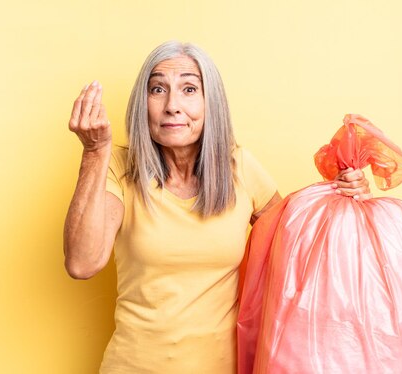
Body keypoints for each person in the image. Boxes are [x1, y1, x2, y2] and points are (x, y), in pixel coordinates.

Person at [63, 41, 372, 374]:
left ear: (212, 103)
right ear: (143, 104)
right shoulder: (119, 166)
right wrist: (95, 153)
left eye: (189, 88)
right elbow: (82, 263)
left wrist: (344, 194)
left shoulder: (239, 167)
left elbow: (302, 249)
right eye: (157, 89)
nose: (172, 106)